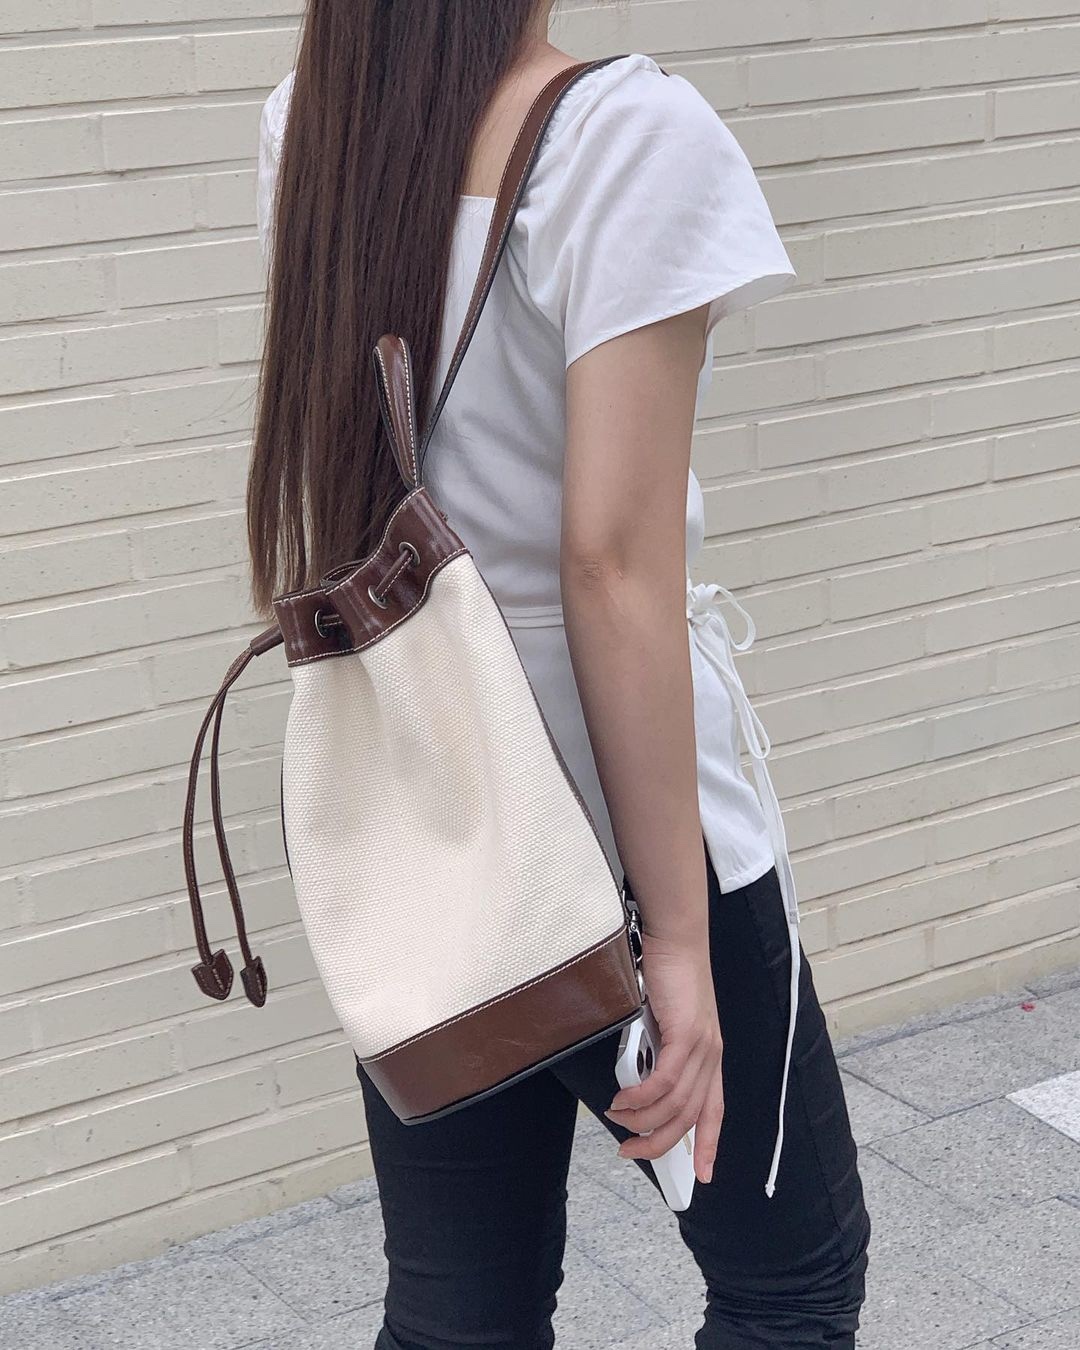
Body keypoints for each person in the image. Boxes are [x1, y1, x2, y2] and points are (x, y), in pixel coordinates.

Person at [251, 3, 872, 1347]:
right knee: (792, 1284)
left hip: (426, 802)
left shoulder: (314, 121)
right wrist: (679, 944)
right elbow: (611, 565)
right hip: (618, 817)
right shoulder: (626, 139)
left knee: (459, 1310)